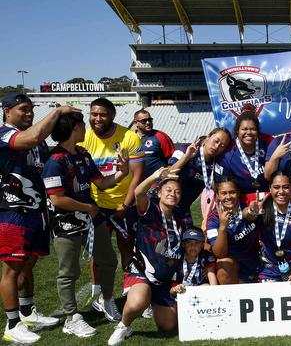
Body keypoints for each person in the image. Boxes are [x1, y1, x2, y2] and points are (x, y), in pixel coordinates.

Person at [43, 112, 129, 338]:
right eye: (82, 124)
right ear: (73, 128)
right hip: (66, 222)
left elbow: (101, 183)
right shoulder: (55, 160)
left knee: (108, 261)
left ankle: (107, 300)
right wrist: (87, 208)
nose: (86, 128)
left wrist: (121, 173)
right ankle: (72, 317)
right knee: (68, 271)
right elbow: (57, 199)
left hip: (91, 217)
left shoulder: (82, 154)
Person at [0, 93, 78, 343]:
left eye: (31, 109)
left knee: (28, 263)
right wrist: (57, 111)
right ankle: (12, 324)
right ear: (7, 111)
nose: (29, 113)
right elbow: (30, 137)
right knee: (11, 268)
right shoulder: (5, 133)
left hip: (36, 211)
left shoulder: (39, 142)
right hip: (13, 211)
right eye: (23, 109)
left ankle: (26, 311)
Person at [79, 97, 144, 319]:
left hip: (124, 203)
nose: (97, 118)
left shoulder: (129, 136)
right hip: (96, 204)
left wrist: (125, 204)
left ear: (112, 115)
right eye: (93, 113)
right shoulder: (84, 137)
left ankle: (129, 291)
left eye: (102, 114)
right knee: (97, 252)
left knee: (127, 248)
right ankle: (98, 294)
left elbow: (137, 175)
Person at [108, 167, 186, 346]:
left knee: (168, 326)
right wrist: (154, 176)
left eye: (177, 192)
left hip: (164, 280)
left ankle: (153, 299)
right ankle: (123, 326)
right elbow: (138, 193)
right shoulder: (150, 211)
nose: (173, 194)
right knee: (137, 303)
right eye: (168, 190)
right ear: (158, 193)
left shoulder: (180, 222)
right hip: (142, 271)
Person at [168, 127, 232, 226]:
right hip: (165, 202)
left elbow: (218, 188)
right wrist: (187, 156)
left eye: (222, 146)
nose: (217, 146)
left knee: (190, 240)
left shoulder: (217, 164)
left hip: (183, 209)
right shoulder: (185, 149)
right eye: (216, 141)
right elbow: (168, 174)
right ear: (208, 137)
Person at [207, 177, 261, 284]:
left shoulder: (248, 203)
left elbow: (248, 212)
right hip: (233, 262)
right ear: (217, 195)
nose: (228, 197)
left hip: (255, 256)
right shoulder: (213, 219)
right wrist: (222, 227)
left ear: (238, 193)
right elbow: (219, 254)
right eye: (224, 193)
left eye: (232, 192)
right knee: (222, 264)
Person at [219, 113, 269, 205]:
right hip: (242, 204)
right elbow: (222, 188)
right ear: (237, 131)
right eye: (244, 129)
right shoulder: (228, 156)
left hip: (268, 201)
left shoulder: (268, 147)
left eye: (253, 129)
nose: (248, 132)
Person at [133, 109, 175, 178]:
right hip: (137, 183)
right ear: (135, 123)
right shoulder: (130, 138)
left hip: (157, 182)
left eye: (150, 120)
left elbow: (172, 160)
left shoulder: (161, 136)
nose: (148, 122)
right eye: (144, 121)